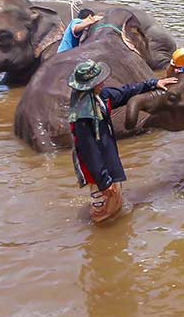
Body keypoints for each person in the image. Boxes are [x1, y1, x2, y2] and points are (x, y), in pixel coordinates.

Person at [68, 59, 177, 222]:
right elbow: (90, 152)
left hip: (107, 157)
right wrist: (104, 182)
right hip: (97, 171)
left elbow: (125, 92)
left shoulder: (99, 97)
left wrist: (153, 83)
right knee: (101, 210)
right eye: (99, 81)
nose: (103, 83)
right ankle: (100, 242)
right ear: (89, 86)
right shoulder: (82, 116)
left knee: (114, 201)